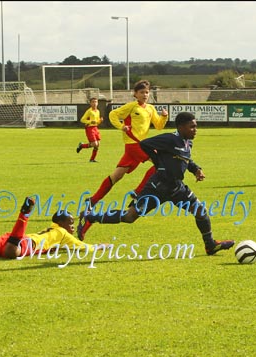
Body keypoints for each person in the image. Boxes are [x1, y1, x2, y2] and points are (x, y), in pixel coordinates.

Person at [77, 111, 234, 256]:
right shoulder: (170, 139)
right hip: (157, 187)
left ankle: (210, 245)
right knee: (130, 217)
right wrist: (159, 162)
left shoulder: (187, 142)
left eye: (196, 126)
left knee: (200, 210)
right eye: (192, 126)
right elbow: (144, 144)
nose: (195, 129)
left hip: (176, 187)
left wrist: (196, 169)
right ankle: (90, 217)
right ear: (181, 127)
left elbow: (185, 159)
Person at [77, 79, 168, 239]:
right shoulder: (131, 107)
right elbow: (113, 114)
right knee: (161, 164)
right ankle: (138, 191)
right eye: (141, 92)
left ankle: (91, 201)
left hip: (140, 146)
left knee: (116, 176)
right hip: (134, 145)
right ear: (135, 94)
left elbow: (159, 126)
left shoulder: (151, 109)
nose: (145, 95)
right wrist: (121, 127)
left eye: (147, 92)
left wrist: (164, 117)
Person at [0, 188, 97, 259]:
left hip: (15, 238)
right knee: (11, 252)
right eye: (70, 223)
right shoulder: (62, 233)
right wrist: (101, 247)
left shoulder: (53, 228)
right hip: (26, 244)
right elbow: (82, 246)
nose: (73, 227)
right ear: (61, 223)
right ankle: (25, 213)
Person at [76, 97, 103, 162]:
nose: (94, 103)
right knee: (94, 144)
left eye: (96, 102)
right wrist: (90, 122)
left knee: (97, 144)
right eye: (93, 102)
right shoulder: (89, 111)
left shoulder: (98, 111)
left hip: (95, 128)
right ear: (90, 103)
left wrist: (100, 121)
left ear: (97, 103)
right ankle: (82, 145)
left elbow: (96, 122)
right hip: (90, 128)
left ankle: (92, 159)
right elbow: (82, 120)